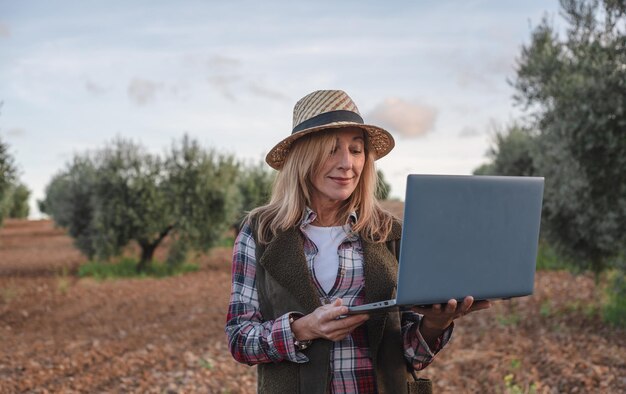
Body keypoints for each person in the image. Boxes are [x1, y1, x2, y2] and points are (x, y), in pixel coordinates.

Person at [225, 90, 491, 394]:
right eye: (331, 150)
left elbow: (412, 355)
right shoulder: (260, 232)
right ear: (303, 157)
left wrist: (435, 325)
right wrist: (303, 328)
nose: (347, 164)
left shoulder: (391, 233)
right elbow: (239, 339)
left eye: (356, 150)